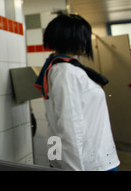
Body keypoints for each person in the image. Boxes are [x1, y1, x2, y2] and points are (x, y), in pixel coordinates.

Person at [35, 12, 120, 171]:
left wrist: (55, 162)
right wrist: (71, 168)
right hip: (91, 163)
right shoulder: (66, 72)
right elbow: (69, 127)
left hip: (80, 158)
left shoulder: (58, 67)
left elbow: (56, 123)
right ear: (75, 39)